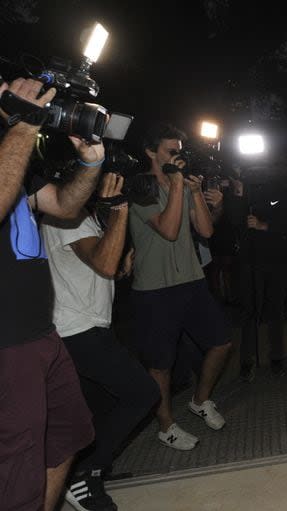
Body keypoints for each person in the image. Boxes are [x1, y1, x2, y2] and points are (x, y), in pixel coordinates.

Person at [0, 77, 101, 511]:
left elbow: (64, 204)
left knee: (69, 435)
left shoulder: (12, 152)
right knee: (16, 476)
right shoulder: (14, 143)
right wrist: (24, 123)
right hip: (7, 344)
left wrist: (92, 164)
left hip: (42, 333)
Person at [41, 173, 159, 511]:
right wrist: (120, 210)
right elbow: (105, 263)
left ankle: (84, 475)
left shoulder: (83, 218)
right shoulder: (67, 218)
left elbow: (102, 270)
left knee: (98, 409)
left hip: (85, 327)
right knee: (143, 392)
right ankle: (84, 473)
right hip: (75, 330)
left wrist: (121, 268)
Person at [129, 123, 232, 451]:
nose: (178, 157)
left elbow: (206, 231)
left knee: (222, 341)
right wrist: (176, 185)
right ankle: (166, 425)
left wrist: (196, 192)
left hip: (191, 280)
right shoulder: (139, 188)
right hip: (155, 289)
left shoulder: (183, 185)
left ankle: (200, 400)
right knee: (161, 364)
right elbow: (170, 230)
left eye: (180, 151)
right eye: (171, 151)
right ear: (151, 152)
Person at [230, 171, 287, 379]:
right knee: (249, 312)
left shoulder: (280, 189)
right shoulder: (241, 188)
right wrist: (238, 192)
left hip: (277, 261)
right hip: (250, 262)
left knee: (276, 311)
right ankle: (246, 361)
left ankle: (277, 357)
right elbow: (233, 221)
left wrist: (263, 226)